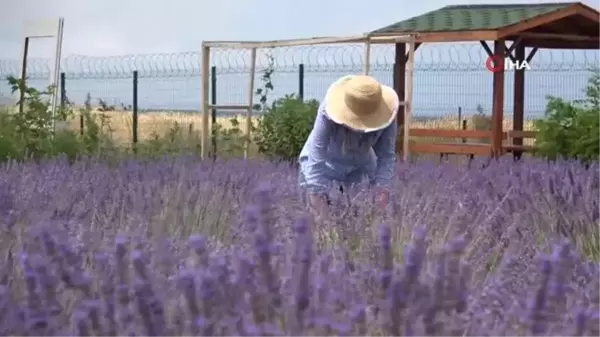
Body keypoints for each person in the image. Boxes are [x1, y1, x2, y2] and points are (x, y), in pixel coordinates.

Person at [298, 74, 399, 214]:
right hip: (324, 168)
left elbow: (386, 156)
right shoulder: (327, 112)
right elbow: (317, 155)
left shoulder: (388, 115)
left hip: (359, 170)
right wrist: (320, 211)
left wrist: (381, 196)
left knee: (357, 222)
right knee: (318, 222)